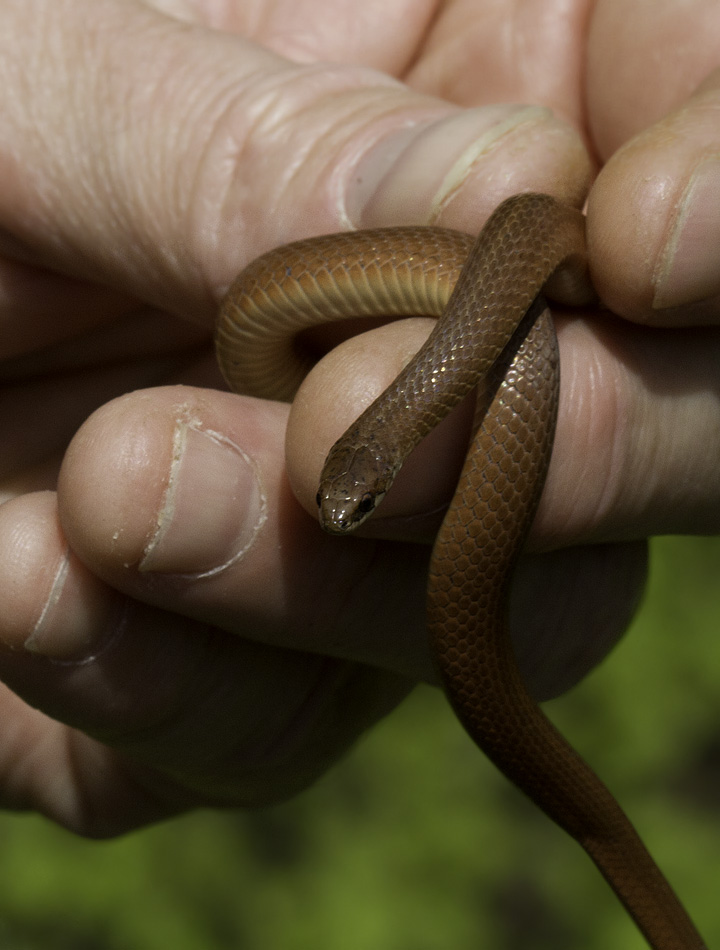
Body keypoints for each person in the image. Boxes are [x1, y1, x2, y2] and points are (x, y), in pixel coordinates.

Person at [0, 0, 717, 836]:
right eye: (359, 499)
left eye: (364, 502)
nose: (344, 518)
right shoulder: (431, 374)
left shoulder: (447, 362)